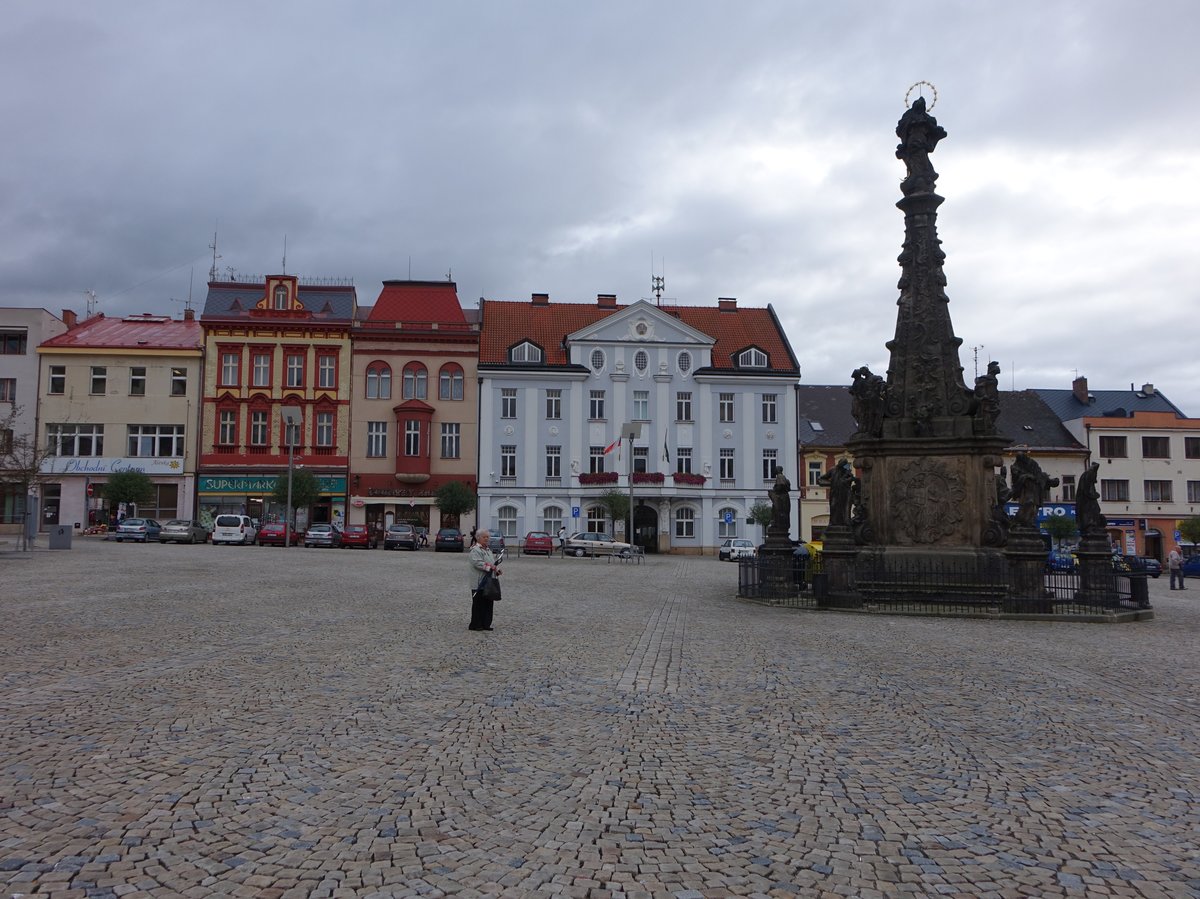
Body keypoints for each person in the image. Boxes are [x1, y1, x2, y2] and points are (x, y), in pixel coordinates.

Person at [468, 527, 501, 630]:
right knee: (478, 604)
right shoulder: (475, 550)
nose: (487, 539)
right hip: (479, 582)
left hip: (488, 582)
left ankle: (486, 624)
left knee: (488, 604)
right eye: (484, 537)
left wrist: (496, 570)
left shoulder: (487, 550)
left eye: (488, 537)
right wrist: (490, 568)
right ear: (478, 538)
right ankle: (476, 624)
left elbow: (491, 563)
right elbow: (478, 563)